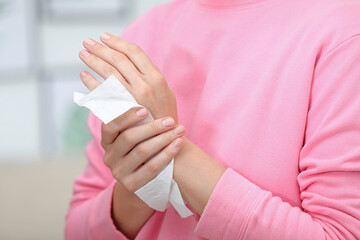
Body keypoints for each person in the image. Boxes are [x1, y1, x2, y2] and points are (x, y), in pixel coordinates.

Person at [65, 0, 360, 239]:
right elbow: (77, 229)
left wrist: (167, 151)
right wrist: (146, 180)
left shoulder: (344, 33)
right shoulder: (142, 34)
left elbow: (340, 233)